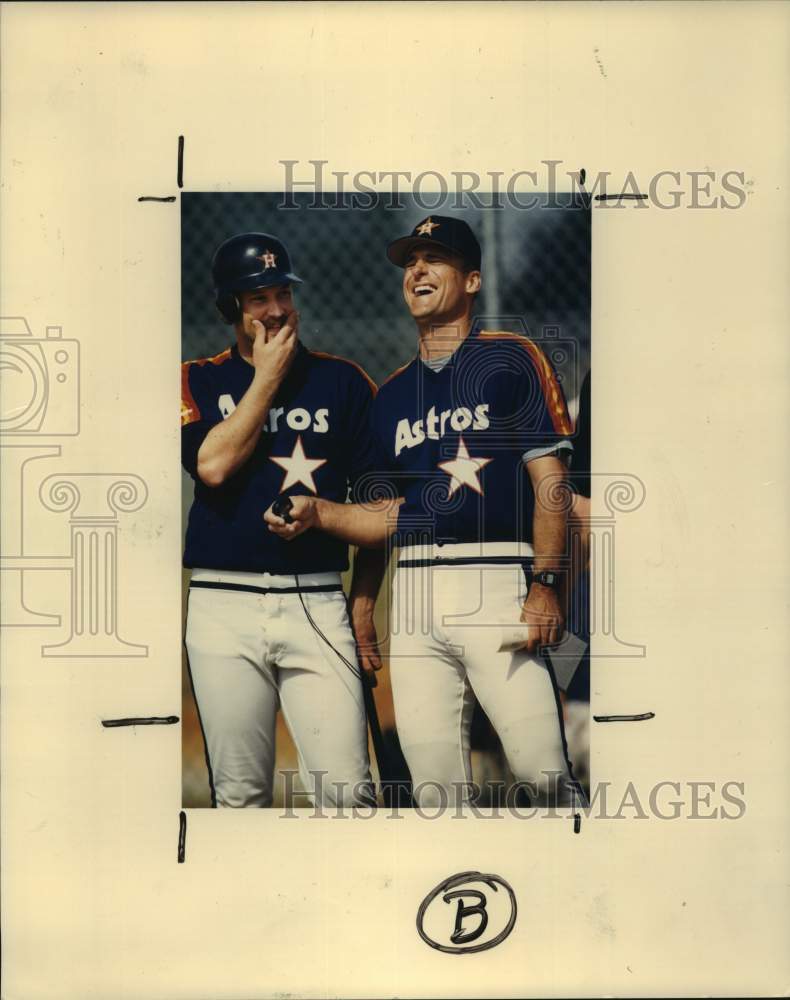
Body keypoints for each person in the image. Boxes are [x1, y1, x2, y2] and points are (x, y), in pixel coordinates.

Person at [265, 215, 585, 808]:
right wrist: (360, 598)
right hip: (412, 597)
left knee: (543, 772)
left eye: (434, 258)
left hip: (497, 583)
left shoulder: (513, 360)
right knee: (435, 787)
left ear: (471, 281)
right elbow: (383, 519)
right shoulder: (389, 397)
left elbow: (551, 484)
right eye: (410, 261)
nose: (417, 270)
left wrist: (545, 584)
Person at [181, 231, 379, 809]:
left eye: (281, 294)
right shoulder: (199, 378)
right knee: (240, 796)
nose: (275, 309)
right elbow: (212, 465)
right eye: (256, 299)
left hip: (316, 601)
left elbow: (383, 510)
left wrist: (325, 521)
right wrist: (267, 377)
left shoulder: (343, 382)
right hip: (222, 605)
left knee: (347, 794)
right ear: (230, 309)